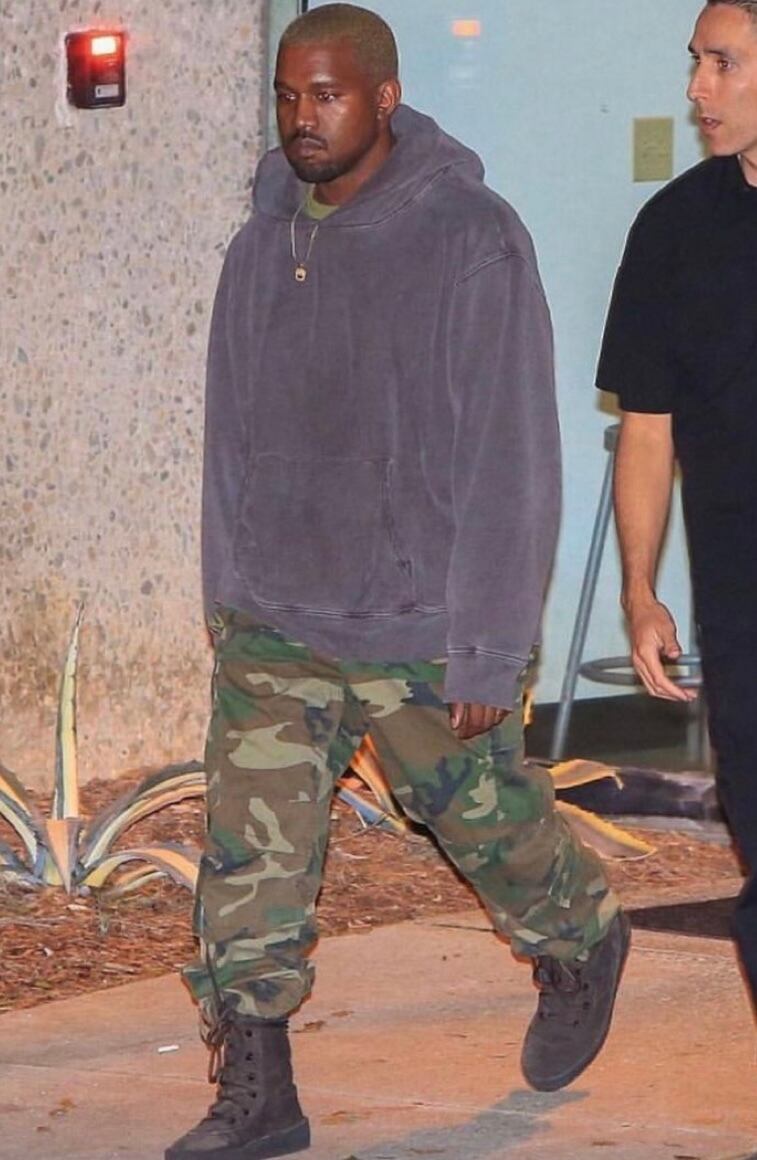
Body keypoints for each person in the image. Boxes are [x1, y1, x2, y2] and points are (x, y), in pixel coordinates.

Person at [167, 6, 629, 1158]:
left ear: (383, 97)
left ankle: (578, 933)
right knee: (248, 858)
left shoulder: (470, 238)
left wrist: (489, 642)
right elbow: (229, 429)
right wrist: (228, 585)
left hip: (418, 620)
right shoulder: (259, 243)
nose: (301, 117)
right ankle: (260, 1093)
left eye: (325, 94)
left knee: (484, 821)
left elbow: (509, 452)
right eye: (287, 95)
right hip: (277, 616)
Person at [597, 0, 757, 1025]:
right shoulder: (673, 229)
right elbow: (645, 428)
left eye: (722, 62)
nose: (697, 86)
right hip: (741, 610)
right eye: (695, 61)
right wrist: (639, 587)